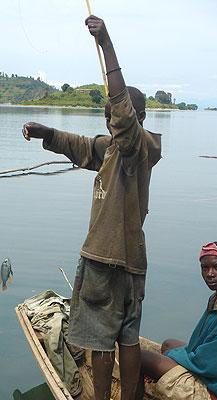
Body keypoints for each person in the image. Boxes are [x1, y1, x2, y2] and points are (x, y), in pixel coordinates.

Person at [22, 15, 161, 400]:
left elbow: (121, 111)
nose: (109, 119)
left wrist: (107, 44)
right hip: (133, 260)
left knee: (100, 340)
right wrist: (47, 133)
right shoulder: (115, 149)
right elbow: (83, 146)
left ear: (136, 118)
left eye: (116, 116)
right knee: (128, 337)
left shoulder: (136, 147)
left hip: (105, 257)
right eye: (106, 115)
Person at [136, 241, 217, 400]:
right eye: (205, 268)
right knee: (168, 344)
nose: (210, 273)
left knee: (139, 356)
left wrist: (175, 356)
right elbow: (207, 343)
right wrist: (176, 355)